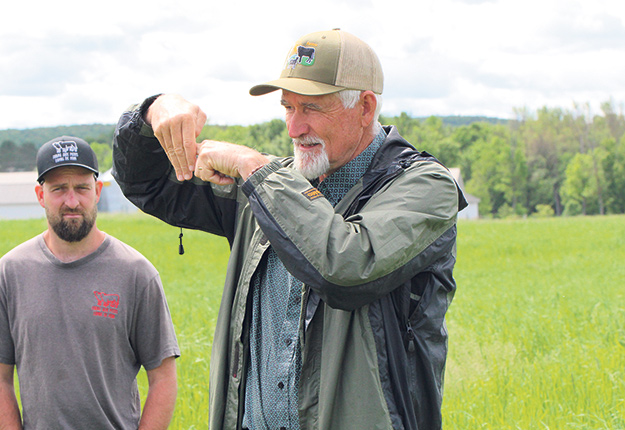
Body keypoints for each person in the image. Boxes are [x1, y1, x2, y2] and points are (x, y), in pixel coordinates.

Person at [112, 29, 467, 430]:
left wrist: (251, 167)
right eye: (288, 108)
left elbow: (346, 267)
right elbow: (150, 185)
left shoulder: (424, 186)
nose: (295, 128)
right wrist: (153, 112)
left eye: (311, 108)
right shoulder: (269, 188)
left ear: (365, 108)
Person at [0, 136, 180, 430]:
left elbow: (163, 378)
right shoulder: (10, 273)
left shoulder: (136, 273)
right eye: (58, 189)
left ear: (97, 191)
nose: (72, 201)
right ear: (40, 195)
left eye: (81, 188)